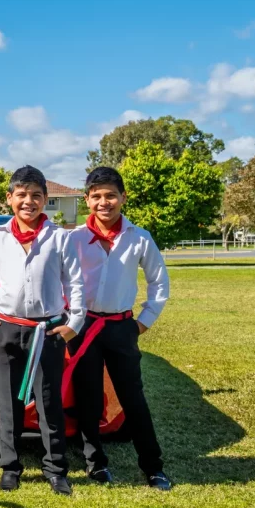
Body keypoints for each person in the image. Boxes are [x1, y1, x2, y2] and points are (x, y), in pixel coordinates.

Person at [0, 166, 85, 496]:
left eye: (36, 195)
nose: (28, 202)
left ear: (45, 200)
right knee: (9, 403)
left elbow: (74, 283)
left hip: (47, 332)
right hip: (7, 330)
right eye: (21, 195)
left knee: (49, 402)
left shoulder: (59, 238)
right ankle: (10, 467)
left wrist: (73, 324)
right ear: (10, 199)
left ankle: (56, 469)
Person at [66, 166, 172, 490]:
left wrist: (142, 322)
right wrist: (67, 319)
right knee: (87, 398)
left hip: (121, 327)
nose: (104, 202)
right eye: (96, 196)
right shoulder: (73, 238)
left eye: (111, 195)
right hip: (83, 328)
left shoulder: (139, 238)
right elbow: (56, 280)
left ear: (123, 198)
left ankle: (153, 467)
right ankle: (95, 464)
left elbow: (159, 282)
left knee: (132, 398)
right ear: (87, 200)